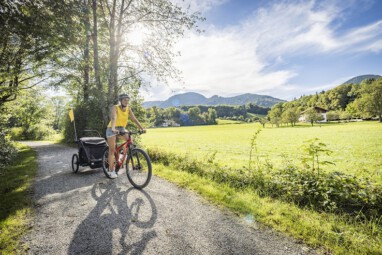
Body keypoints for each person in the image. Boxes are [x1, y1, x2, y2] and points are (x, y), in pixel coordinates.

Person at [105, 93, 145, 178]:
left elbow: (134, 119)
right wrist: (113, 128)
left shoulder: (128, 109)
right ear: (121, 101)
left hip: (121, 128)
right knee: (112, 150)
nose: (126, 102)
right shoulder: (115, 107)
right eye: (124, 100)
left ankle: (121, 157)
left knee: (130, 140)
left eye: (127, 100)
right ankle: (111, 170)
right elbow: (113, 118)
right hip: (111, 128)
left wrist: (142, 128)